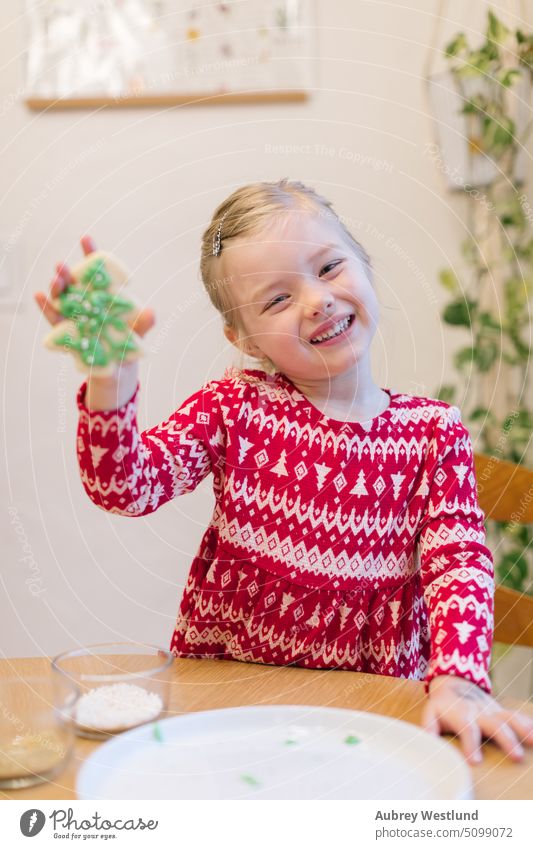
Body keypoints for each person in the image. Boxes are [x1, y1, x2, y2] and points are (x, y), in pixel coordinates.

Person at [35, 178, 533, 765]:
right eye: (276, 299)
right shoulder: (232, 407)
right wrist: (110, 383)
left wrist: (459, 679)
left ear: (365, 267)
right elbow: (125, 488)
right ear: (243, 339)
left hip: (374, 717)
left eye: (329, 268)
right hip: (232, 713)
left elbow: (459, 563)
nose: (317, 300)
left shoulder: (434, 431)